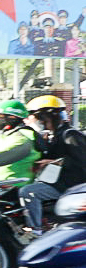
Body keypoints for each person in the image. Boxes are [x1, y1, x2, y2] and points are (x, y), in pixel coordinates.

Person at [20, 95, 86, 231]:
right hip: (57, 181)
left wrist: (54, 162)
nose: (37, 121)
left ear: (49, 117)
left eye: (38, 118)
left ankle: (35, 230)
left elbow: (81, 161)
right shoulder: (53, 135)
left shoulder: (70, 135)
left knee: (28, 192)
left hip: (70, 185)